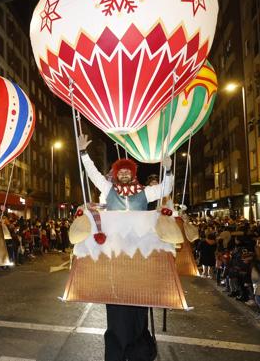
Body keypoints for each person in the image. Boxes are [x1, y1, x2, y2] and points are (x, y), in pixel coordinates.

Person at [78, 134, 172, 361]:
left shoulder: (143, 192)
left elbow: (163, 189)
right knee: (117, 309)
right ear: (116, 174)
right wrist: (83, 154)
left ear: (133, 174)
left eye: (127, 171)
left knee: (138, 306)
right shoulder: (108, 190)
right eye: (120, 171)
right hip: (115, 257)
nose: (123, 173)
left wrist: (168, 171)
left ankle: (138, 349)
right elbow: (93, 174)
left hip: (140, 258)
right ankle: (117, 352)